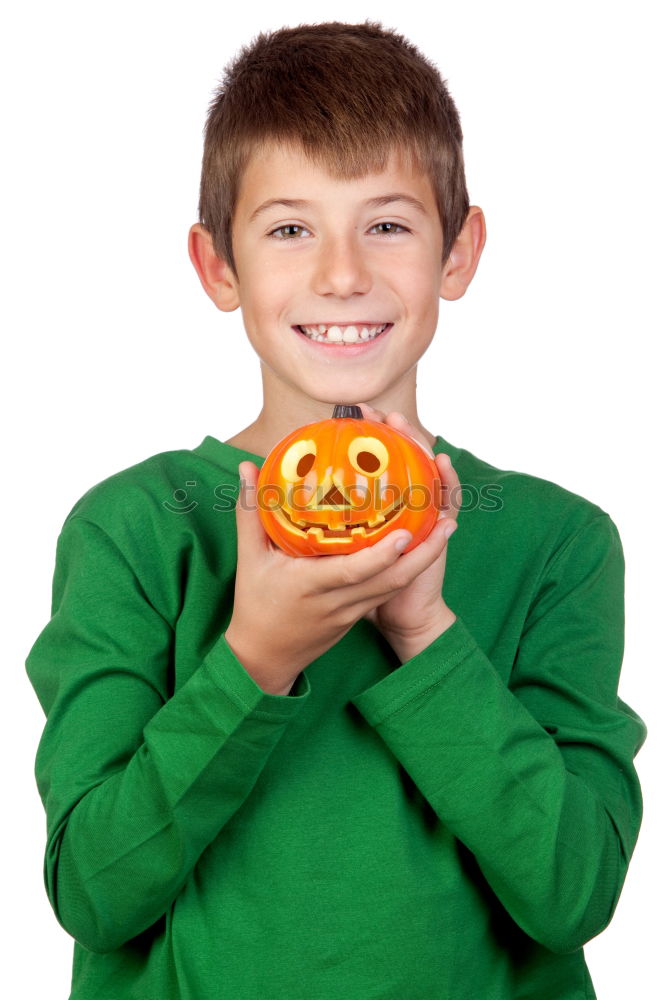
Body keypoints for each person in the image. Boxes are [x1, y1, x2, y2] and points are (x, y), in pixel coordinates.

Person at [25, 19, 646, 1000]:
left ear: (459, 251)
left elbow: (573, 891)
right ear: (217, 265)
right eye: (289, 228)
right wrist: (255, 658)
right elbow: (95, 891)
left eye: (388, 223)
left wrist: (425, 631)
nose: (342, 274)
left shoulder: (556, 541)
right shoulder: (136, 527)